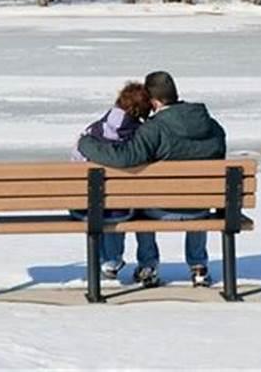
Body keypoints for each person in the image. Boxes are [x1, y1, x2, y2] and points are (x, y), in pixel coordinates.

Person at [77, 71, 226, 288]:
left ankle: (149, 265)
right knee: (195, 195)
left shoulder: (154, 128)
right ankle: (198, 266)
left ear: (154, 101)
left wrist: (87, 144)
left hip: (160, 207)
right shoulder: (213, 127)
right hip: (201, 207)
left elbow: (124, 158)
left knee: (139, 202)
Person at [69, 82, 153, 280]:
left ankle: (111, 260)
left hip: (86, 206)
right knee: (135, 202)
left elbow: (74, 162)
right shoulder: (141, 136)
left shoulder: (93, 132)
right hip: (127, 207)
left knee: (105, 201)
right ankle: (147, 263)